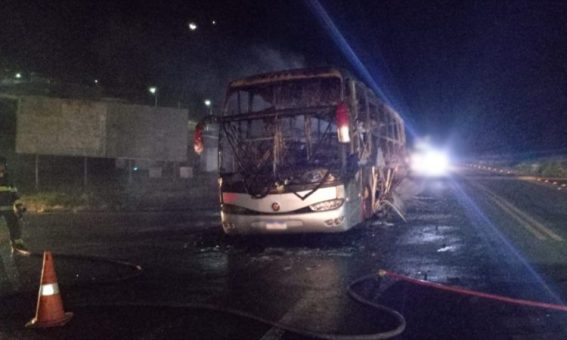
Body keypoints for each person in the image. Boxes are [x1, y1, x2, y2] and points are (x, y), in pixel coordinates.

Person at [0, 156, 29, 255]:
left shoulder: (8, 180)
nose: (1, 167)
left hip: (8, 209)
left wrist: (19, 206)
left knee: (15, 227)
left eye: (2, 165)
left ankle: (17, 246)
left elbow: (14, 194)